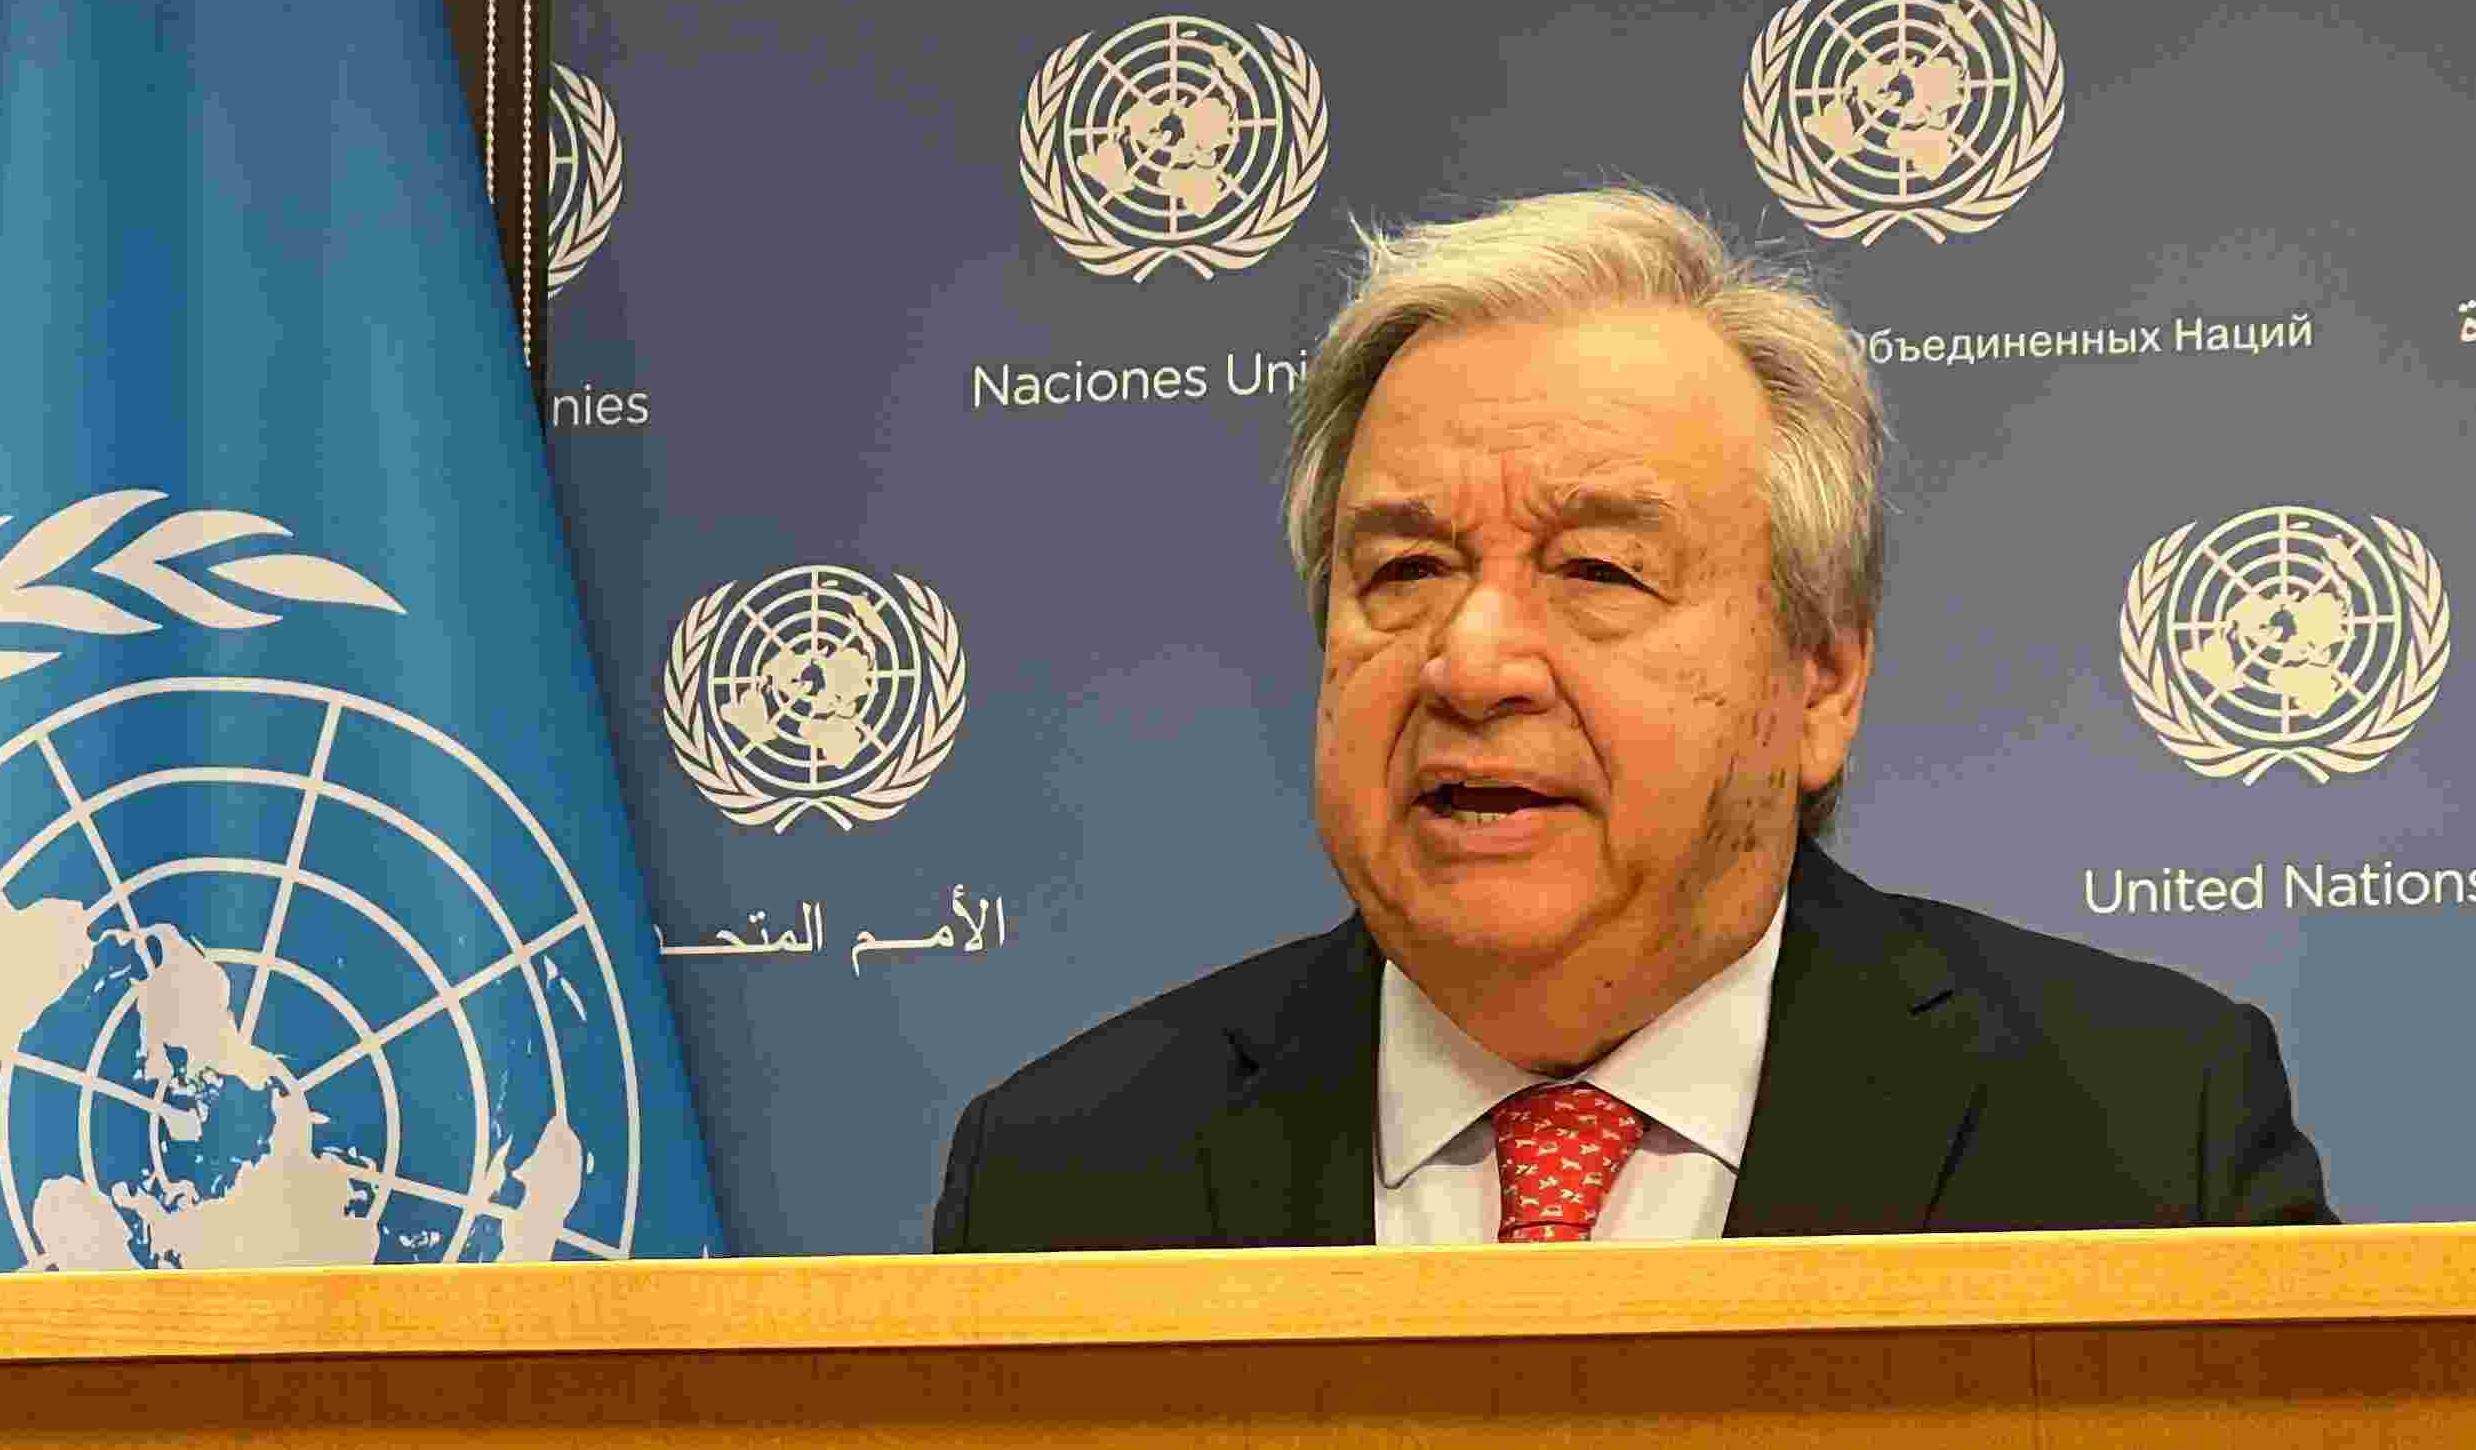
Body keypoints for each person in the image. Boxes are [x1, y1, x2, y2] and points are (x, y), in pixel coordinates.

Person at [931, 189, 2329, 1251]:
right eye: (1404, 572)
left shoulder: (2148, 1138)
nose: (1471, 663)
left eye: (1598, 571)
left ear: (1821, 682)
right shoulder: (1071, 1176)